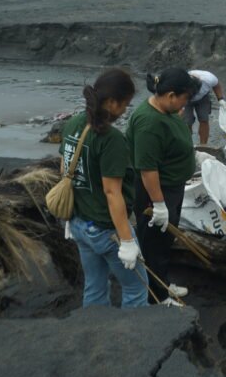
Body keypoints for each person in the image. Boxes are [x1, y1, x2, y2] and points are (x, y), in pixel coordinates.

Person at [60, 68, 148, 309]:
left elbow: (66, 170)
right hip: (106, 229)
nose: (124, 111)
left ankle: (93, 335)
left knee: (95, 286)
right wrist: (127, 241)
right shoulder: (111, 140)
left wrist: (70, 217)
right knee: (136, 287)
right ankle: (137, 341)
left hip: (79, 224)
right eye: (125, 104)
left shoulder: (73, 125)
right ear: (111, 102)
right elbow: (112, 193)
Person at [128, 68, 199, 306]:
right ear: (170, 95)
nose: (185, 104)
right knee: (153, 244)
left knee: (164, 239)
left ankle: (162, 283)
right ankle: (156, 296)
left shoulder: (166, 111)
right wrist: (158, 205)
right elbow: (148, 170)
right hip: (157, 191)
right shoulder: (149, 123)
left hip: (172, 187)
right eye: (184, 98)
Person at [184, 70, 226, 145]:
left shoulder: (209, 79)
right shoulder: (182, 81)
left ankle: (203, 145)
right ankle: (188, 144)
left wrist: (220, 99)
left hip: (203, 98)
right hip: (185, 98)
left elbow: (216, 85)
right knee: (187, 122)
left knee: (204, 119)